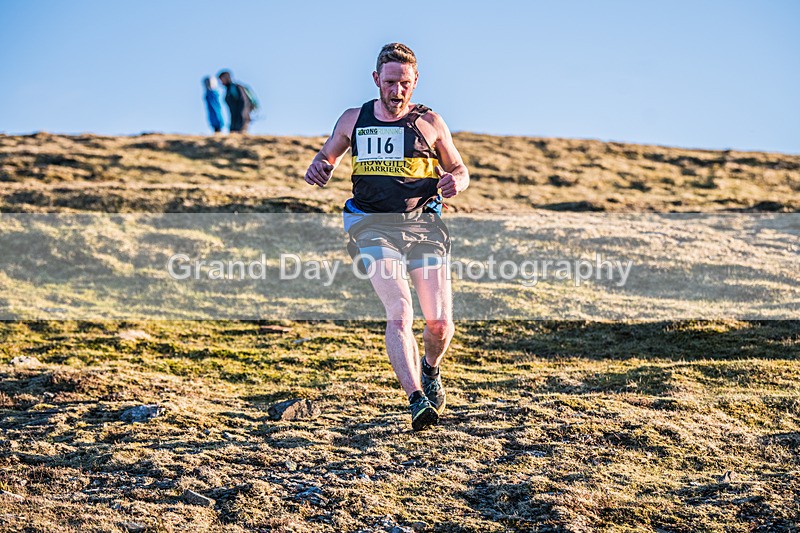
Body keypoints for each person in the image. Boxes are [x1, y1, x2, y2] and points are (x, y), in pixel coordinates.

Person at [304, 43, 470, 431]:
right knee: (399, 312)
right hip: (372, 226)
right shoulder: (353, 119)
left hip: (423, 225)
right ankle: (416, 400)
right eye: (391, 82)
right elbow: (328, 155)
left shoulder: (430, 123)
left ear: (415, 83)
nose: (397, 91)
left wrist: (455, 181)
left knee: (440, 323)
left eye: (405, 84)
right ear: (377, 79)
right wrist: (319, 167)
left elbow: (460, 168)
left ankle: (429, 370)